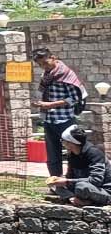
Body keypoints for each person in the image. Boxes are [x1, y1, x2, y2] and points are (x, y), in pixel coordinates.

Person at [33, 49, 86, 180]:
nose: (44, 67)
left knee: (74, 151)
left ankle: (74, 180)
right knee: (52, 154)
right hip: (49, 119)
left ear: (53, 57)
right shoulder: (47, 75)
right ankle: (55, 181)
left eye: (45, 63)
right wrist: (40, 103)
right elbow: (44, 92)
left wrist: (50, 105)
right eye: (40, 65)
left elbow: (74, 98)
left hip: (65, 119)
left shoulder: (66, 74)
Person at [48, 124, 110, 206]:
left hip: (102, 190)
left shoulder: (94, 153)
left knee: (82, 187)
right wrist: (62, 180)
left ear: (71, 143)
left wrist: (67, 182)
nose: (62, 143)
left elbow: (96, 181)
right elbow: (70, 176)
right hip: (81, 187)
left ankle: (87, 201)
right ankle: (74, 199)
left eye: (63, 141)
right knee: (56, 186)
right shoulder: (72, 155)